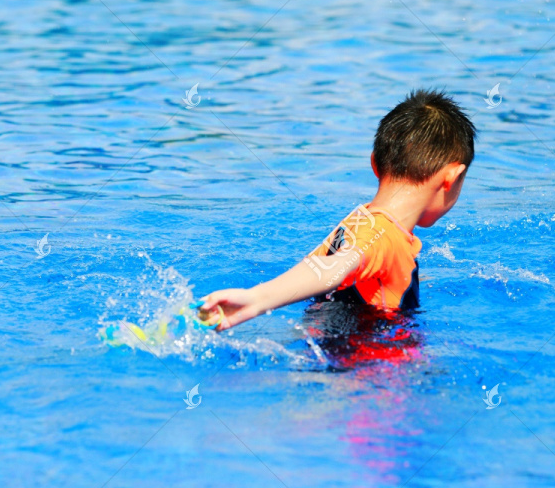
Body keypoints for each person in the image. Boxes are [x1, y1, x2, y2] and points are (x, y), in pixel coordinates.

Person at [200, 88, 476, 331]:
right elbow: (336, 268)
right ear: (451, 177)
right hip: (367, 378)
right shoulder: (384, 237)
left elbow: (330, 267)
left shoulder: (360, 221)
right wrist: (257, 300)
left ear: (375, 164)